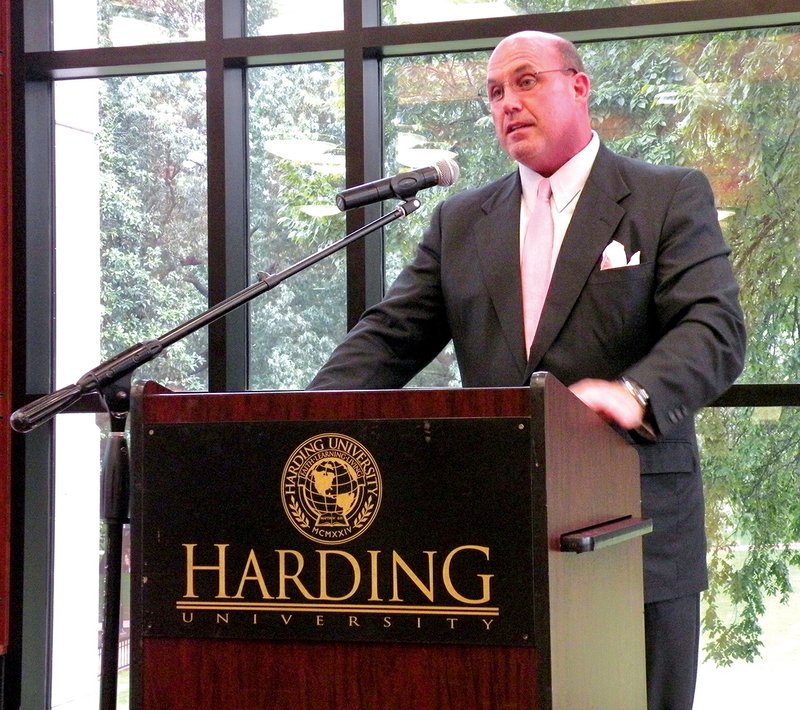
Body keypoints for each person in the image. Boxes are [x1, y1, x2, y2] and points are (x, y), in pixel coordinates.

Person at [308, 30, 746, 710]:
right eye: (493, 92)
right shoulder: (460, 223)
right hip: (491, 550)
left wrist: (634, 393)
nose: (506, 102)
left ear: (579, 86)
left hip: (635, 538)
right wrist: (300, 419)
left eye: (524, 81)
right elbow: (387, 341)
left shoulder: (666, 196)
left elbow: (714, 330)